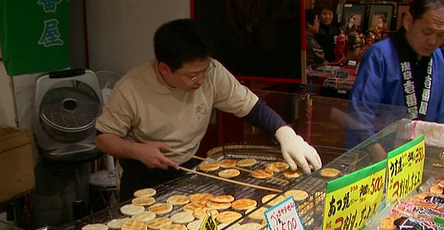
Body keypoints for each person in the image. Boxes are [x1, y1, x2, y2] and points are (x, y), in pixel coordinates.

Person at [95, 19, 322, 201]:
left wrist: (286, 134)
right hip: (141, 174)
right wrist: (138, 150)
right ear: (164, 68)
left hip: (188, 169)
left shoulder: (211, 72)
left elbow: (252, 107)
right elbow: (103, 139)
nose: (202, 79)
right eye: (192, 75)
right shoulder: (130, 88)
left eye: (205, 69)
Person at [347, 0, 444, 148]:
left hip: (422, 156)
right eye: (427, 31)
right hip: (380, 155)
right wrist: (382, 160)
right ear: (409, 21)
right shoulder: (380, 55)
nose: (433, 41)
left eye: (441, 34)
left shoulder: (436, 57)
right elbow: (360, 117)